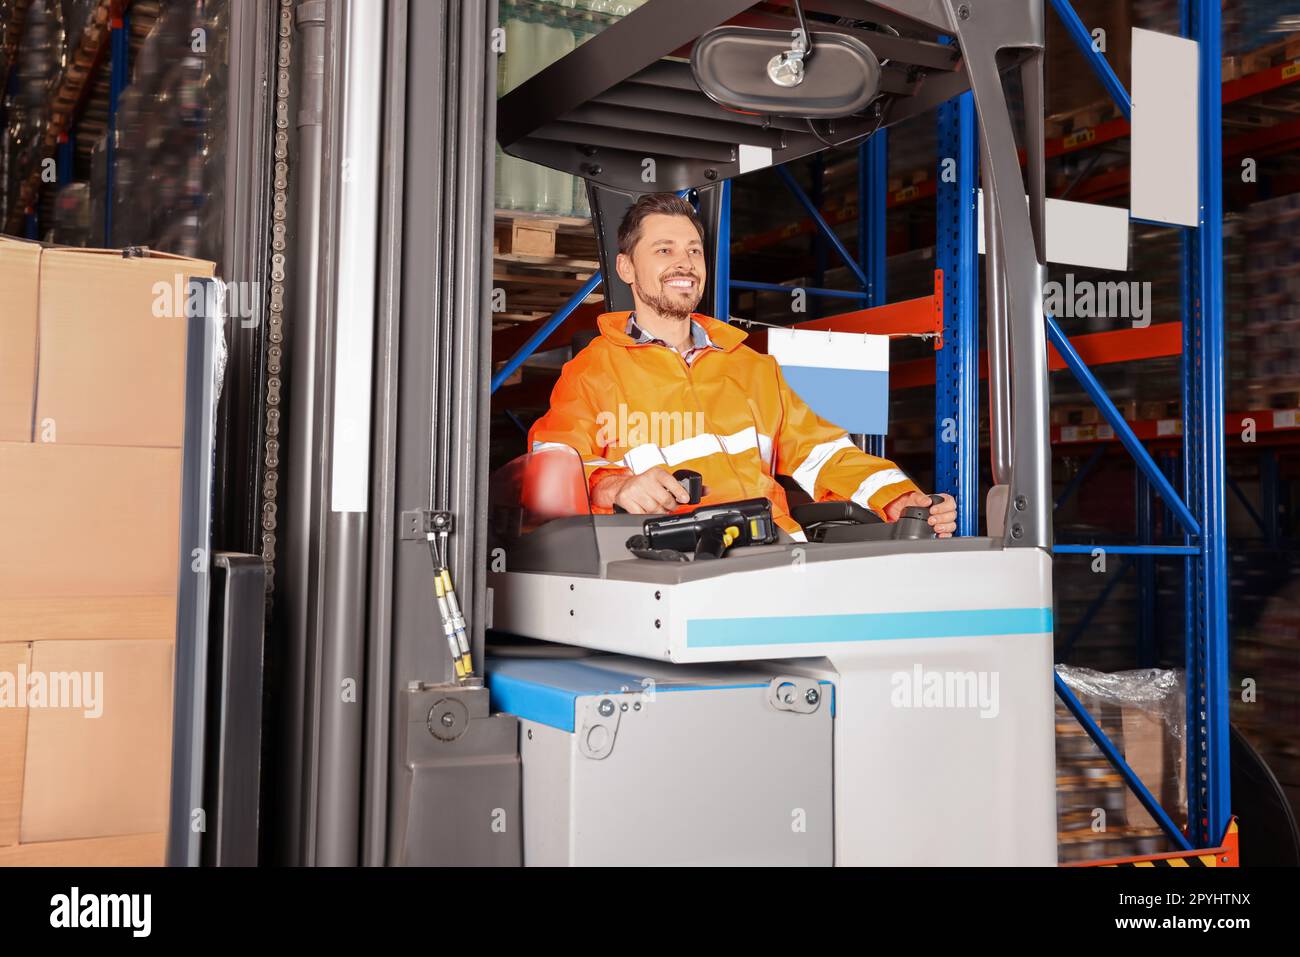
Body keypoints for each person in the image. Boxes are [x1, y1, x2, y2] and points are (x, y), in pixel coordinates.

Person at [528, 192, 957, 539]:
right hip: (662, 561)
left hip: (773, 555)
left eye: (694, 251)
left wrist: (897, 497)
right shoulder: (593, 371)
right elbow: (553, 465)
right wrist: (617, 486)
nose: (685, 263)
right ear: (626, 268)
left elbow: (824, 453)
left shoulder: (753, 367)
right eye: (664, 249)